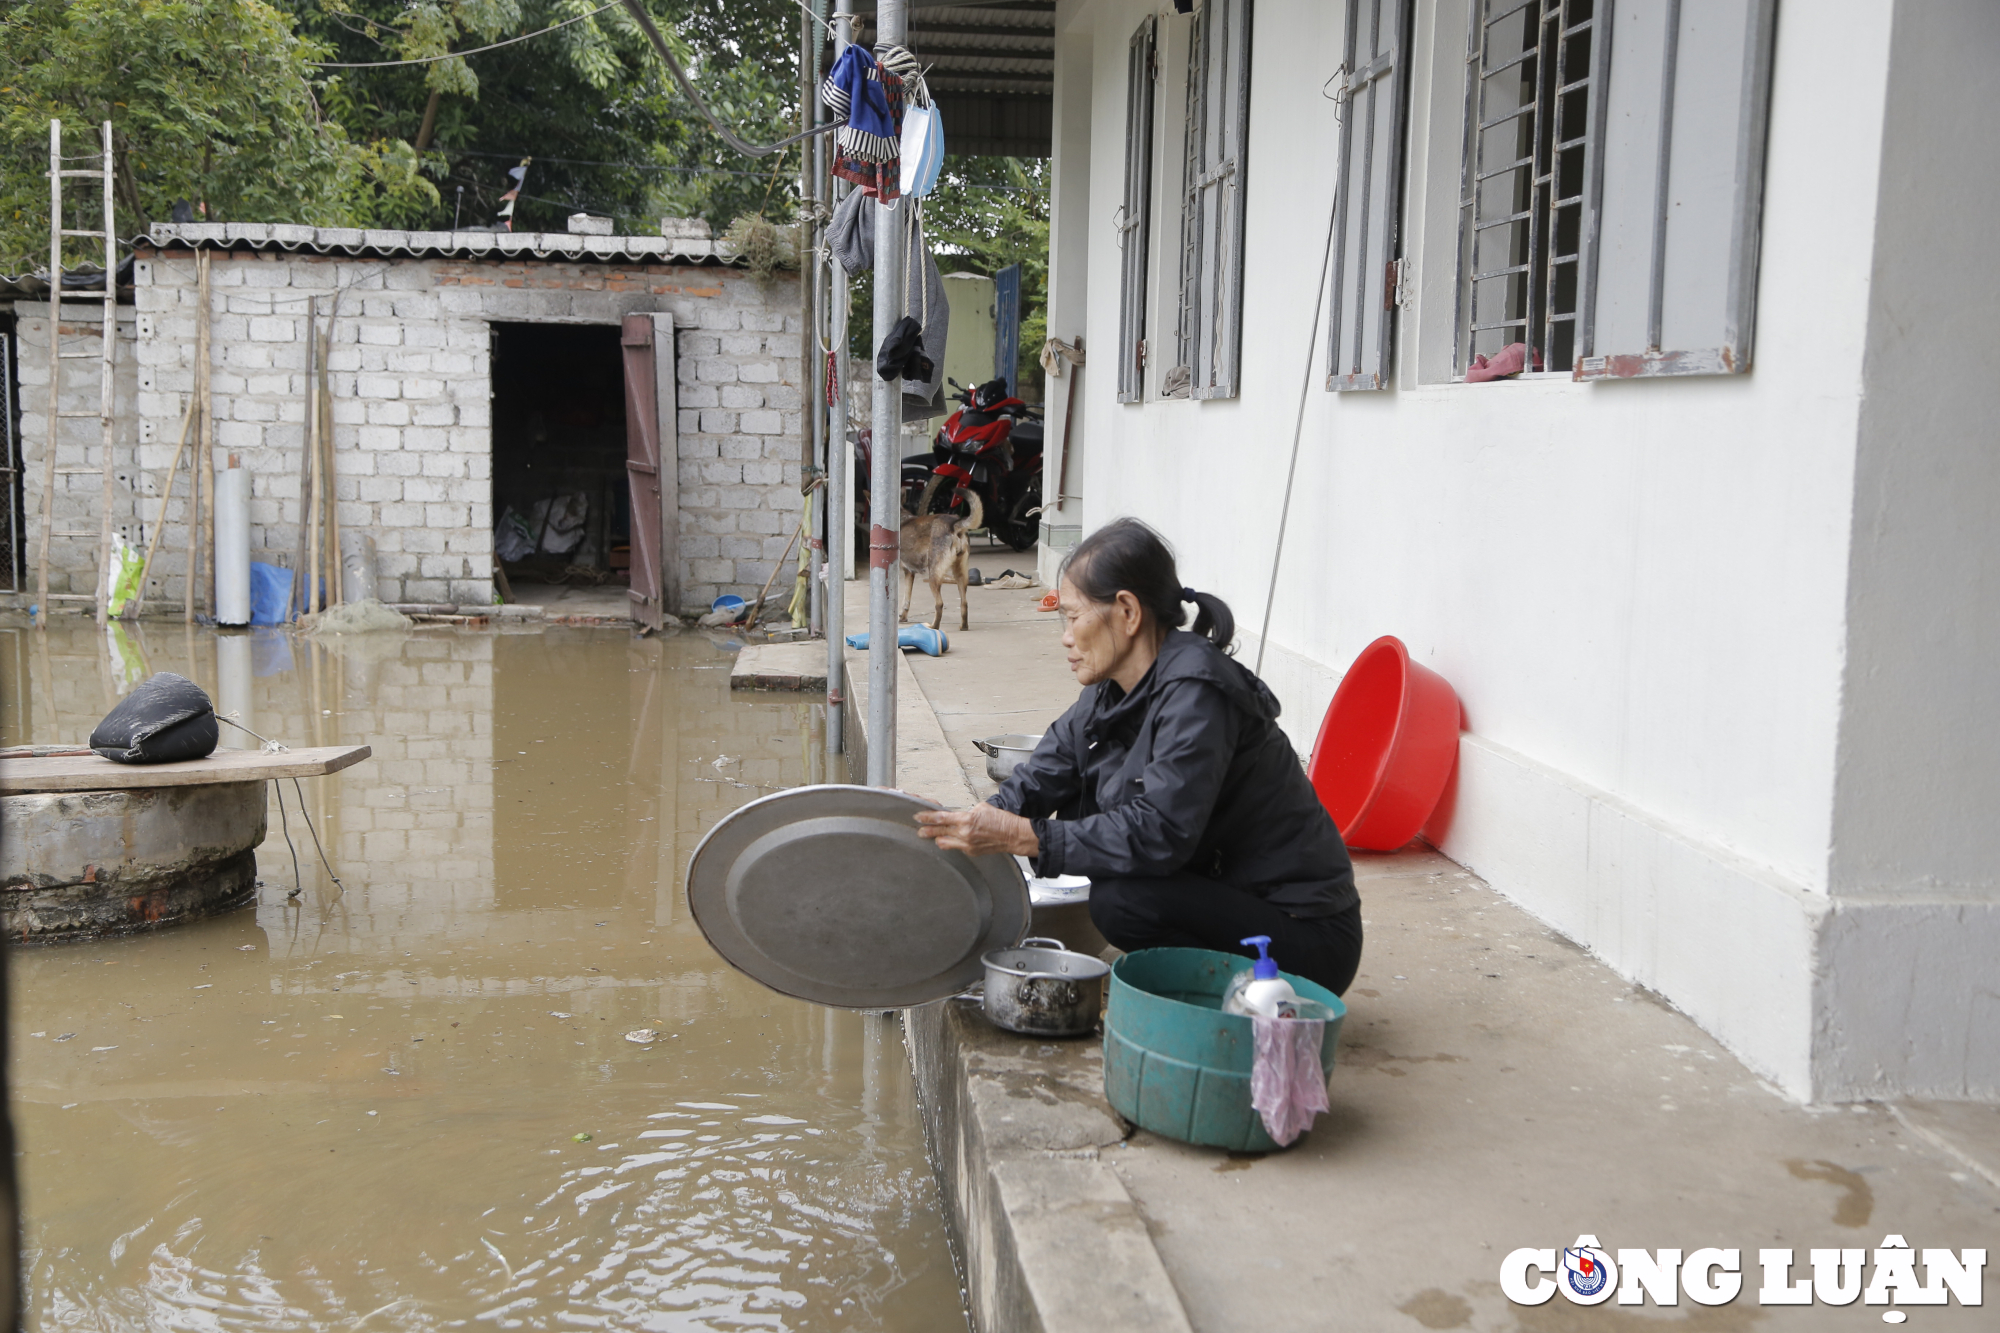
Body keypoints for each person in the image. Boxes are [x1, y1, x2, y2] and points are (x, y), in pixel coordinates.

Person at [915, 518, 1362, 995]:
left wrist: (1027, 837)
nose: (1065, 636)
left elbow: (1159, 833)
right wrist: (962, 825)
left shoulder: (1198, 693)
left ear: (1127, 611)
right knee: (1111, 882)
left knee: (1122, 900)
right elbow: (1041, 776)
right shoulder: (1111, 690)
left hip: (1305, 934)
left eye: (1072, 617)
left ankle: (1238, 1000)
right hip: (1226, 896)